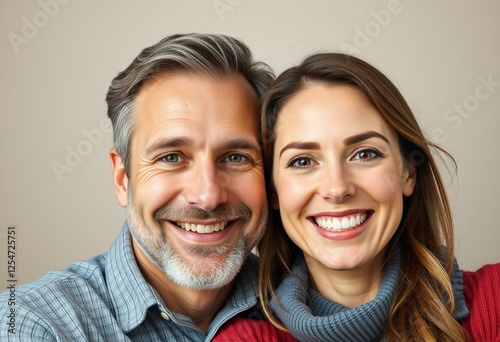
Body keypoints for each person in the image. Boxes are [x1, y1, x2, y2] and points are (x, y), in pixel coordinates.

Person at [0, 33, 276, 341]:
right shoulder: (33, 324)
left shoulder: (313, 310)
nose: (208, 196)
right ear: (122, 177)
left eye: (236, 157)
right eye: (171, 157)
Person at [215, 52, 500, 341]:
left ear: (408, 175)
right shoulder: (243, 338)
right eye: (302, 161)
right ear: (273, 191)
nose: (337, 189)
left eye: (365, 154)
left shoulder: (494, 300)